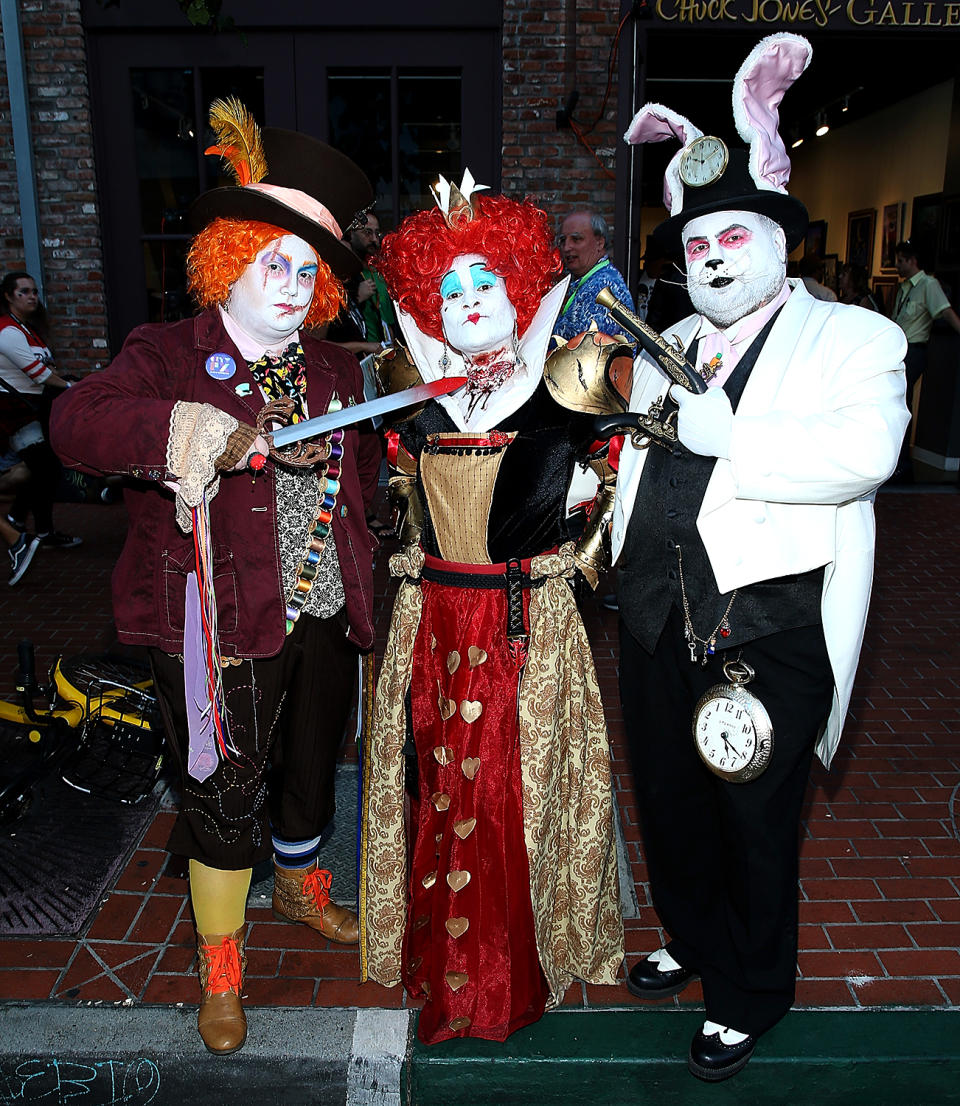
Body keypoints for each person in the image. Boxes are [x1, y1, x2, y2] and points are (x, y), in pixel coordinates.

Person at [50, 100, 379, 1055]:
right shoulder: (166, 354)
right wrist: (169, 434)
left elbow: (359, 483)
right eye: (270, 259)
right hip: (216, 618)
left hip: (322, 609)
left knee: (314, 763)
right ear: (226, 259)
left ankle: (305, 888)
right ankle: (222, 962)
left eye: (306, 268)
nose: (289, 281)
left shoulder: (333, 372)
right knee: (224, 787)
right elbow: (77, 422)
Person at [617, 34, 909, 1082]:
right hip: (652, 614)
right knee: (671, 799)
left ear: (781, 242)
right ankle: (694, 936)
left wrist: (730, 435)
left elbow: (865, 454)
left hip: (766, 630)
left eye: (735, 235)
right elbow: (642, 462)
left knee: (752, 814)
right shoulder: (673, 341)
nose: (715, 258)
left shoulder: (855, 338)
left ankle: (752, 990)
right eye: (697, 245)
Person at [359, 173, 623, 1044]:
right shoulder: (417, 396)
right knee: (439, 786)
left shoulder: (569, 385)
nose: (469, 301)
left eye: (485, 282)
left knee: (516, 793)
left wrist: (587, 510)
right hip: (436, 622)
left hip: (525, 628)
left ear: (518, 287)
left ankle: (511, 973)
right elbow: (397, 501)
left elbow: (618, 498)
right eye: (449, 288)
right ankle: (445, 967)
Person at [0, 272, 81, 548]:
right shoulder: (7, 331)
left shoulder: (28, 330)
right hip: (13, 410)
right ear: (9, 296)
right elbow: (38, 373)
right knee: (44, 467)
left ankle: (25, 523)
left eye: (34, 291)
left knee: (42, 469)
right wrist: (69, 386)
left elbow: (48, 368)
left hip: (35, 407)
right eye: (24, 292)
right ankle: (22, 523)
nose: (32, 296)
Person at [891, 240, 960, 481]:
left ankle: (902, 462)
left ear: (912, 261)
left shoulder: (928, 285)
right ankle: (894, 459)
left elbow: (945, 310)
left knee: (902, 402)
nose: (897, 265)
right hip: (899, 351)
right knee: (895, 401)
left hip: (915, 351)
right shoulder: (904, 288)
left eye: (900, 260)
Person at [552, 209, 634, 343]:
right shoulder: (590, 280)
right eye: (563, 240)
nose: (566, 247)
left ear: (599, 243)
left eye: (576, 239)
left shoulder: (604, 286)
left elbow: (582, 347)